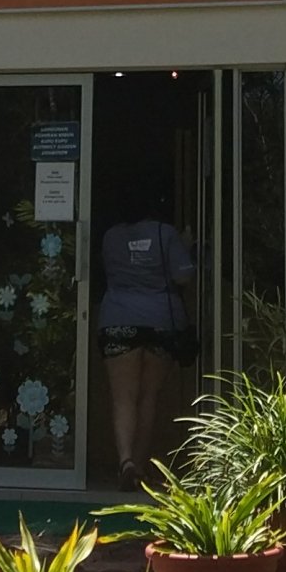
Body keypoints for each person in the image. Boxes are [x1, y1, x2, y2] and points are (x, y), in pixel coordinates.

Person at [95, 192, 196, 487]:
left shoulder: (111, 237)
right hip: (159, 323)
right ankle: (138, 466)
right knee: (148, 397)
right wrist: (186, 248)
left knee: (122, 398)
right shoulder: (166, 233)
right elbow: (183, 277)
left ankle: (125, 460)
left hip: (118, 320)